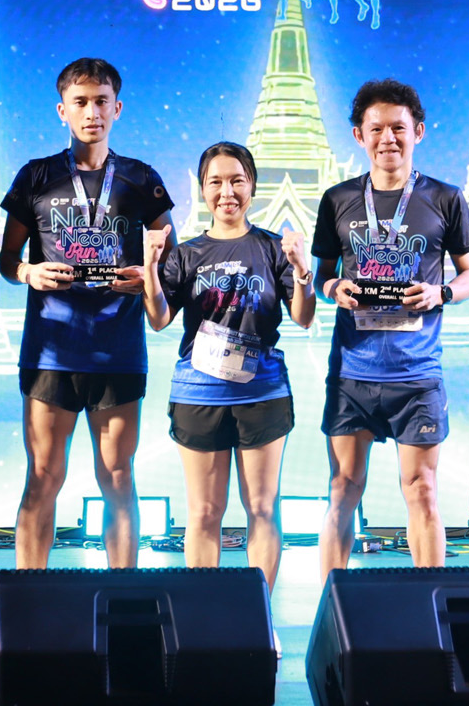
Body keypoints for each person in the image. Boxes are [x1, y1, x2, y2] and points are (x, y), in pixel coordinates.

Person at [0, 58, 175, 568]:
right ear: (62, 110)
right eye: (80, 102)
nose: (91, 112)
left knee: (117, 477)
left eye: (101, 101)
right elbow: (6, 262)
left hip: (118, 352)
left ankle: (123, 591)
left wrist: (147, 277)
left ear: (118, 108)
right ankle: (28, 594)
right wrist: (28, 272)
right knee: (43, 476)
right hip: (50, 354)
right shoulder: (36, 175)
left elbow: (171, 262)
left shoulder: (141, 178)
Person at [142, 142, 313, 653]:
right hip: (198, 393)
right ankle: (203, 624)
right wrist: (150, 267)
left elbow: (303, 317)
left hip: (262, 391)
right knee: (204, 512)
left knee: (262, 508)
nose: (227, 191)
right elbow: (158, 319)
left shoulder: (272, 248)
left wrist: (303, 270)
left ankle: (260, 621)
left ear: (252, 186)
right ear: (203, 189)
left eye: (237, 180)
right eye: (215, 182)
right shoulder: (187, 253)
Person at [312, 79, 469, 574]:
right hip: (353, 375)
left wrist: (441, 292)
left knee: (422, 489)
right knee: (342, 488)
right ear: (359, 135)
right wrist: (334, 288)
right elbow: (321, 277)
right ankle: (332, 603)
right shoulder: (338, 199)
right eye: (377, 129)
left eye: (399, 128)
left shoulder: (445, 198)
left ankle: (431, 601)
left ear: (418, 132)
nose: (388, 138)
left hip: (417, 375)